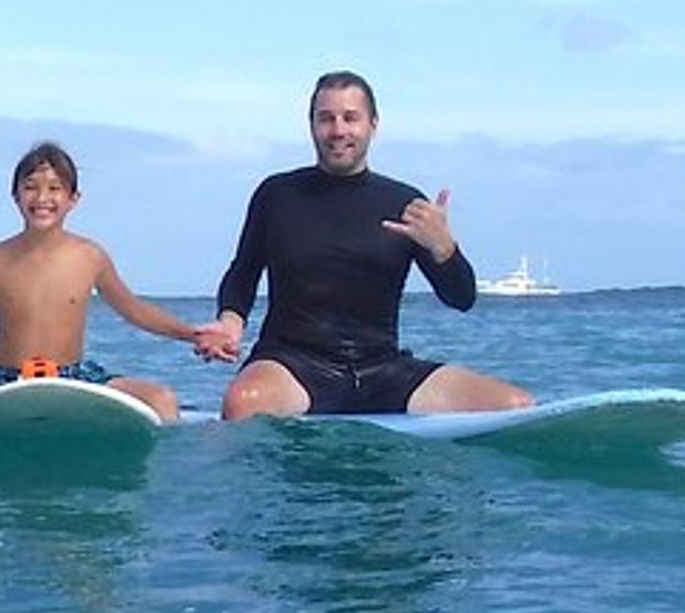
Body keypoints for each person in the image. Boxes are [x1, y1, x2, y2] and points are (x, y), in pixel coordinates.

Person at [194, 70, 533, 418]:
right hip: (294, 365)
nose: (338, 130)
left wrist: (444, 249)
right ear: (311, 125)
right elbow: (243, 272)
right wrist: (230, 322)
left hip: (381, 370)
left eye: (350, 118)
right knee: (243, 401)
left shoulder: (405, 204)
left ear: (373, 124)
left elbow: (462, 299)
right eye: (326, 119)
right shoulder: (278, 195)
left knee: (514, 406)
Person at [0, 142, 201, 423]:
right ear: (15, 196)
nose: (42, 198)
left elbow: (133, 310)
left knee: (163, 400)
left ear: (73, 199)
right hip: (5, 378)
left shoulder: (89, 256)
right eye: (30, 188)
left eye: (55, 188)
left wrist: (193, 335)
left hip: (74, 376)